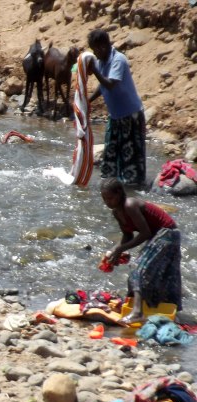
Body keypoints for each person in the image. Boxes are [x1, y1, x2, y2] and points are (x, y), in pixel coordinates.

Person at [101, 178, 181, 326]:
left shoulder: (130, 205)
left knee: (138, 267)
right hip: (156, 236)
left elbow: (145, 233)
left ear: (119, 193)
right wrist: (113, 251)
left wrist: (120, 249)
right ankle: (150, 308)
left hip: (168, 233)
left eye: (110, 198)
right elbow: (128, 235)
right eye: (104, 198)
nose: (108, 202)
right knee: (155, 274)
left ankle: (138, 312)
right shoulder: (117, 213)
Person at [87, 28, 146, 187]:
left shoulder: (118, 60)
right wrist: (88, 100)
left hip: (130, 115)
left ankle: (133, 188)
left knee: (130, 155)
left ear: (103, 47)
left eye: (95, 50)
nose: (95, 53)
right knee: (111, 156)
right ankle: (112, 186)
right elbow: (102, 85)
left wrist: (95, 71)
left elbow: (111, 84)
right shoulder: (102, 61)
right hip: (115, 116)